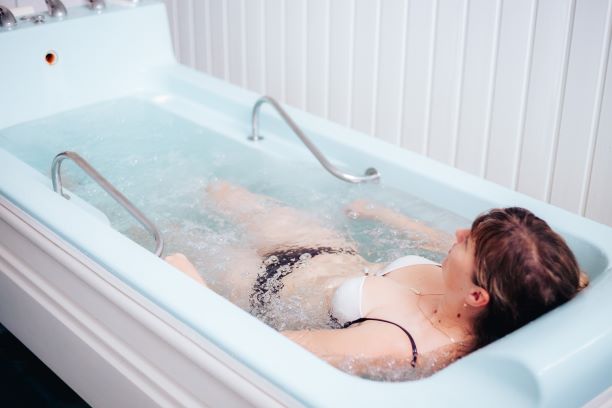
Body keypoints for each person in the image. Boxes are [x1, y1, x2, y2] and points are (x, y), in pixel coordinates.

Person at [165, 181, 587, 379]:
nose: (458, 234)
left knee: (167, 236)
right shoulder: (493, 285)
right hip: (323, 246)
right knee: (218, 190)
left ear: (477, 296)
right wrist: (382, 214)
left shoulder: (399, 343)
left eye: (468, 242)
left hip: (261, 282)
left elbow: (271, 349)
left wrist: (195, 292)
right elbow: (571, 279)